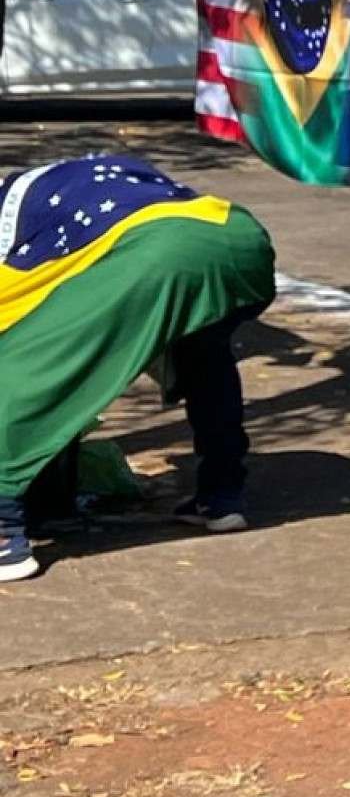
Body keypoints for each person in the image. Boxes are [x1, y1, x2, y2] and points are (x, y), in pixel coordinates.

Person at [0, 157, 274, 584]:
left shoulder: (13, 223)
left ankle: (4, 533)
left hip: (156, 251)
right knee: (204, 358)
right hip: (237, 239)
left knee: (25, 367)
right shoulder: (81, 174)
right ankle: (222, 497)